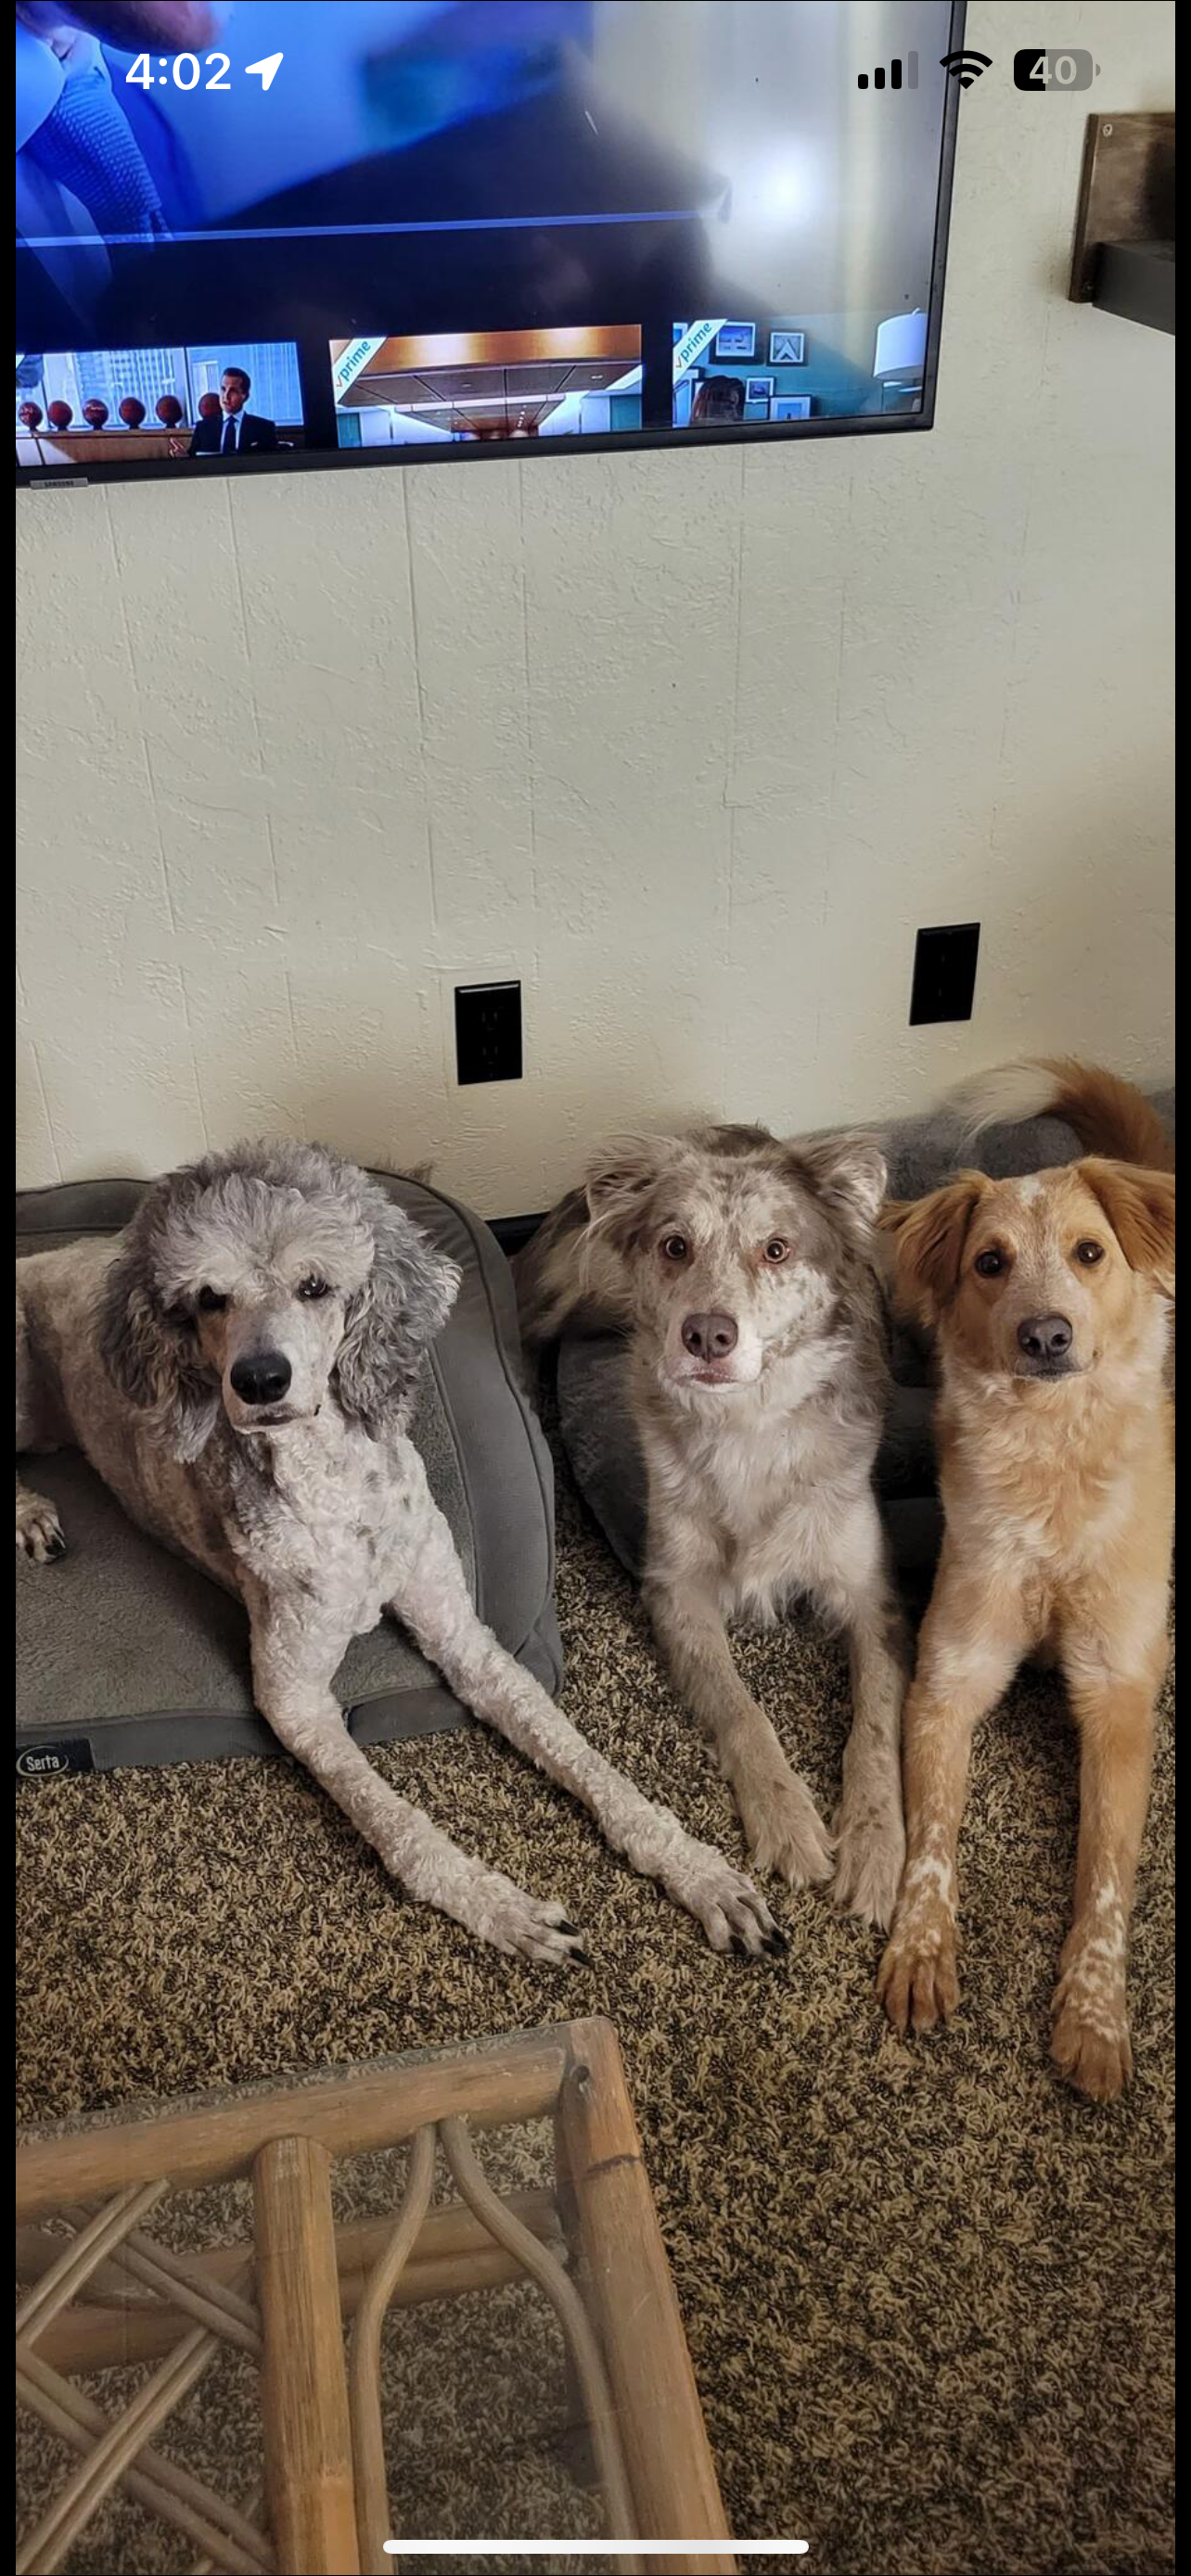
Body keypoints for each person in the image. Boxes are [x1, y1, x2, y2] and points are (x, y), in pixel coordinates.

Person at [186, 369, 278, 458]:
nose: (226, 396)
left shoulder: (264, 427)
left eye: (232, 391)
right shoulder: (203, 427)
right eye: (223, 389)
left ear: (245, 396)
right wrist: (183, 457)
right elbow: (192, 461)